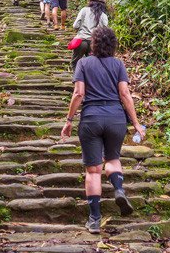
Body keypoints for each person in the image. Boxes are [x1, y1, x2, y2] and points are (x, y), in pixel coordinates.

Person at [61, 27, 146, 234]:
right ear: (113, 45)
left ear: (94, 44)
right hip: (116, 118)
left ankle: (94, 218)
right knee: (113, 159)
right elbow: (125, 94)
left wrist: (69, 120)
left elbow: (79, 94)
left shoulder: (83, 63)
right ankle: (118, 189)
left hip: (91, 119)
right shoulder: (118, 64)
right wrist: (135, 123)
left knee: (93, 170)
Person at [70, 0, 109, 70]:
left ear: (91, 2)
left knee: (75, 63)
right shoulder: (103, 15)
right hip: (94, 43)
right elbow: (105, 31)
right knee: (93, 65)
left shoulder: (84, 10)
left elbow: (75, 25)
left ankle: (77, 79)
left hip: (81, 41)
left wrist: (80, 29)